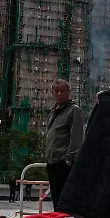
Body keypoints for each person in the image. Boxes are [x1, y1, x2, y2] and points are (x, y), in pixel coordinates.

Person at [45, 79, 85, 208]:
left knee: (66, 199)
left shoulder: (74, 110)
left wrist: (68, 159)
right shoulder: (54, 111)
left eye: (62, 91)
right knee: (56, 199)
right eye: (56, 91)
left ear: (69, 92)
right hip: (52, 161)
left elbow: (77, 137)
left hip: (64, 162)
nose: (59, 94)